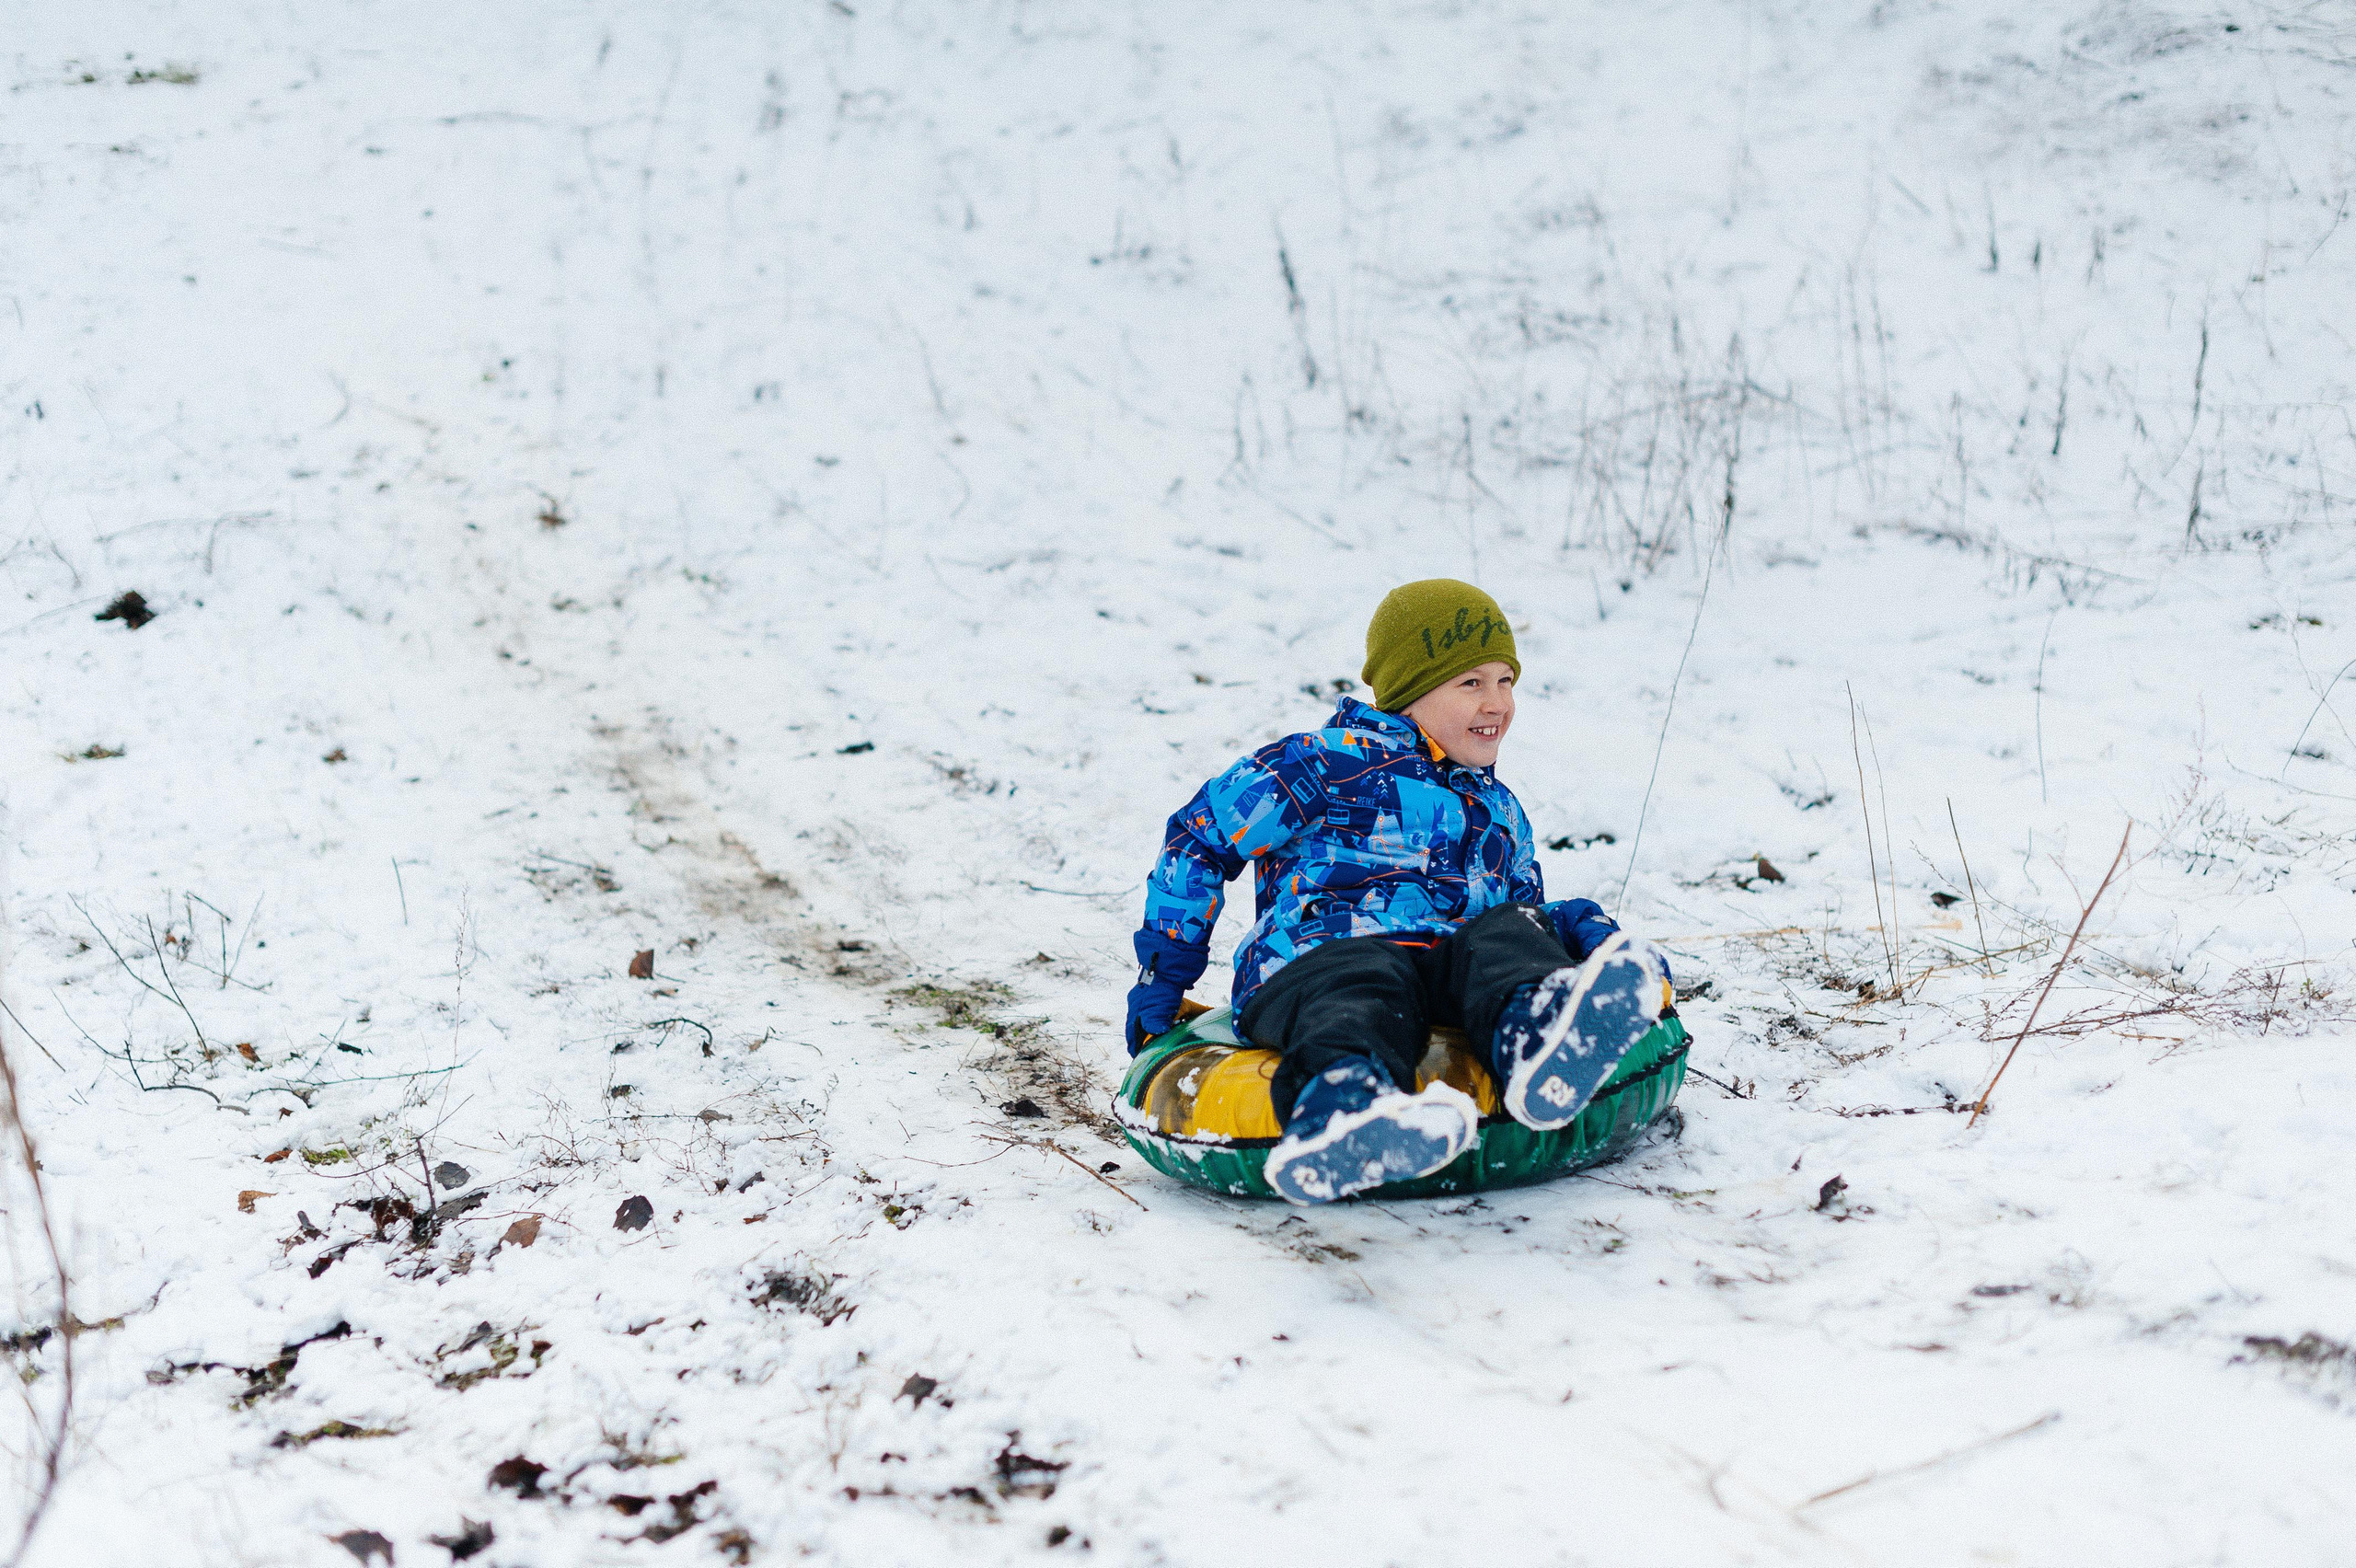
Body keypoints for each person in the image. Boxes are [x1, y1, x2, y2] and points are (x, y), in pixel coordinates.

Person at [1125, 579, 1669, 1205]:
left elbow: (1519, 915)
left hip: (1443, 974)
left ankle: (1541, 1038)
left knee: (1504, 935)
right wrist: (1164, 975)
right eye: (1471, 683)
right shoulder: (1320, 764)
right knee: (1365, 981)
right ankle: (1345, 1110)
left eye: (1506, 680)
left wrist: (1575, 928)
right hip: (1318, 962)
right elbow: (1200, 839)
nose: (1497, 703)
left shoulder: (1499, 809)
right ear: (1411, 691)